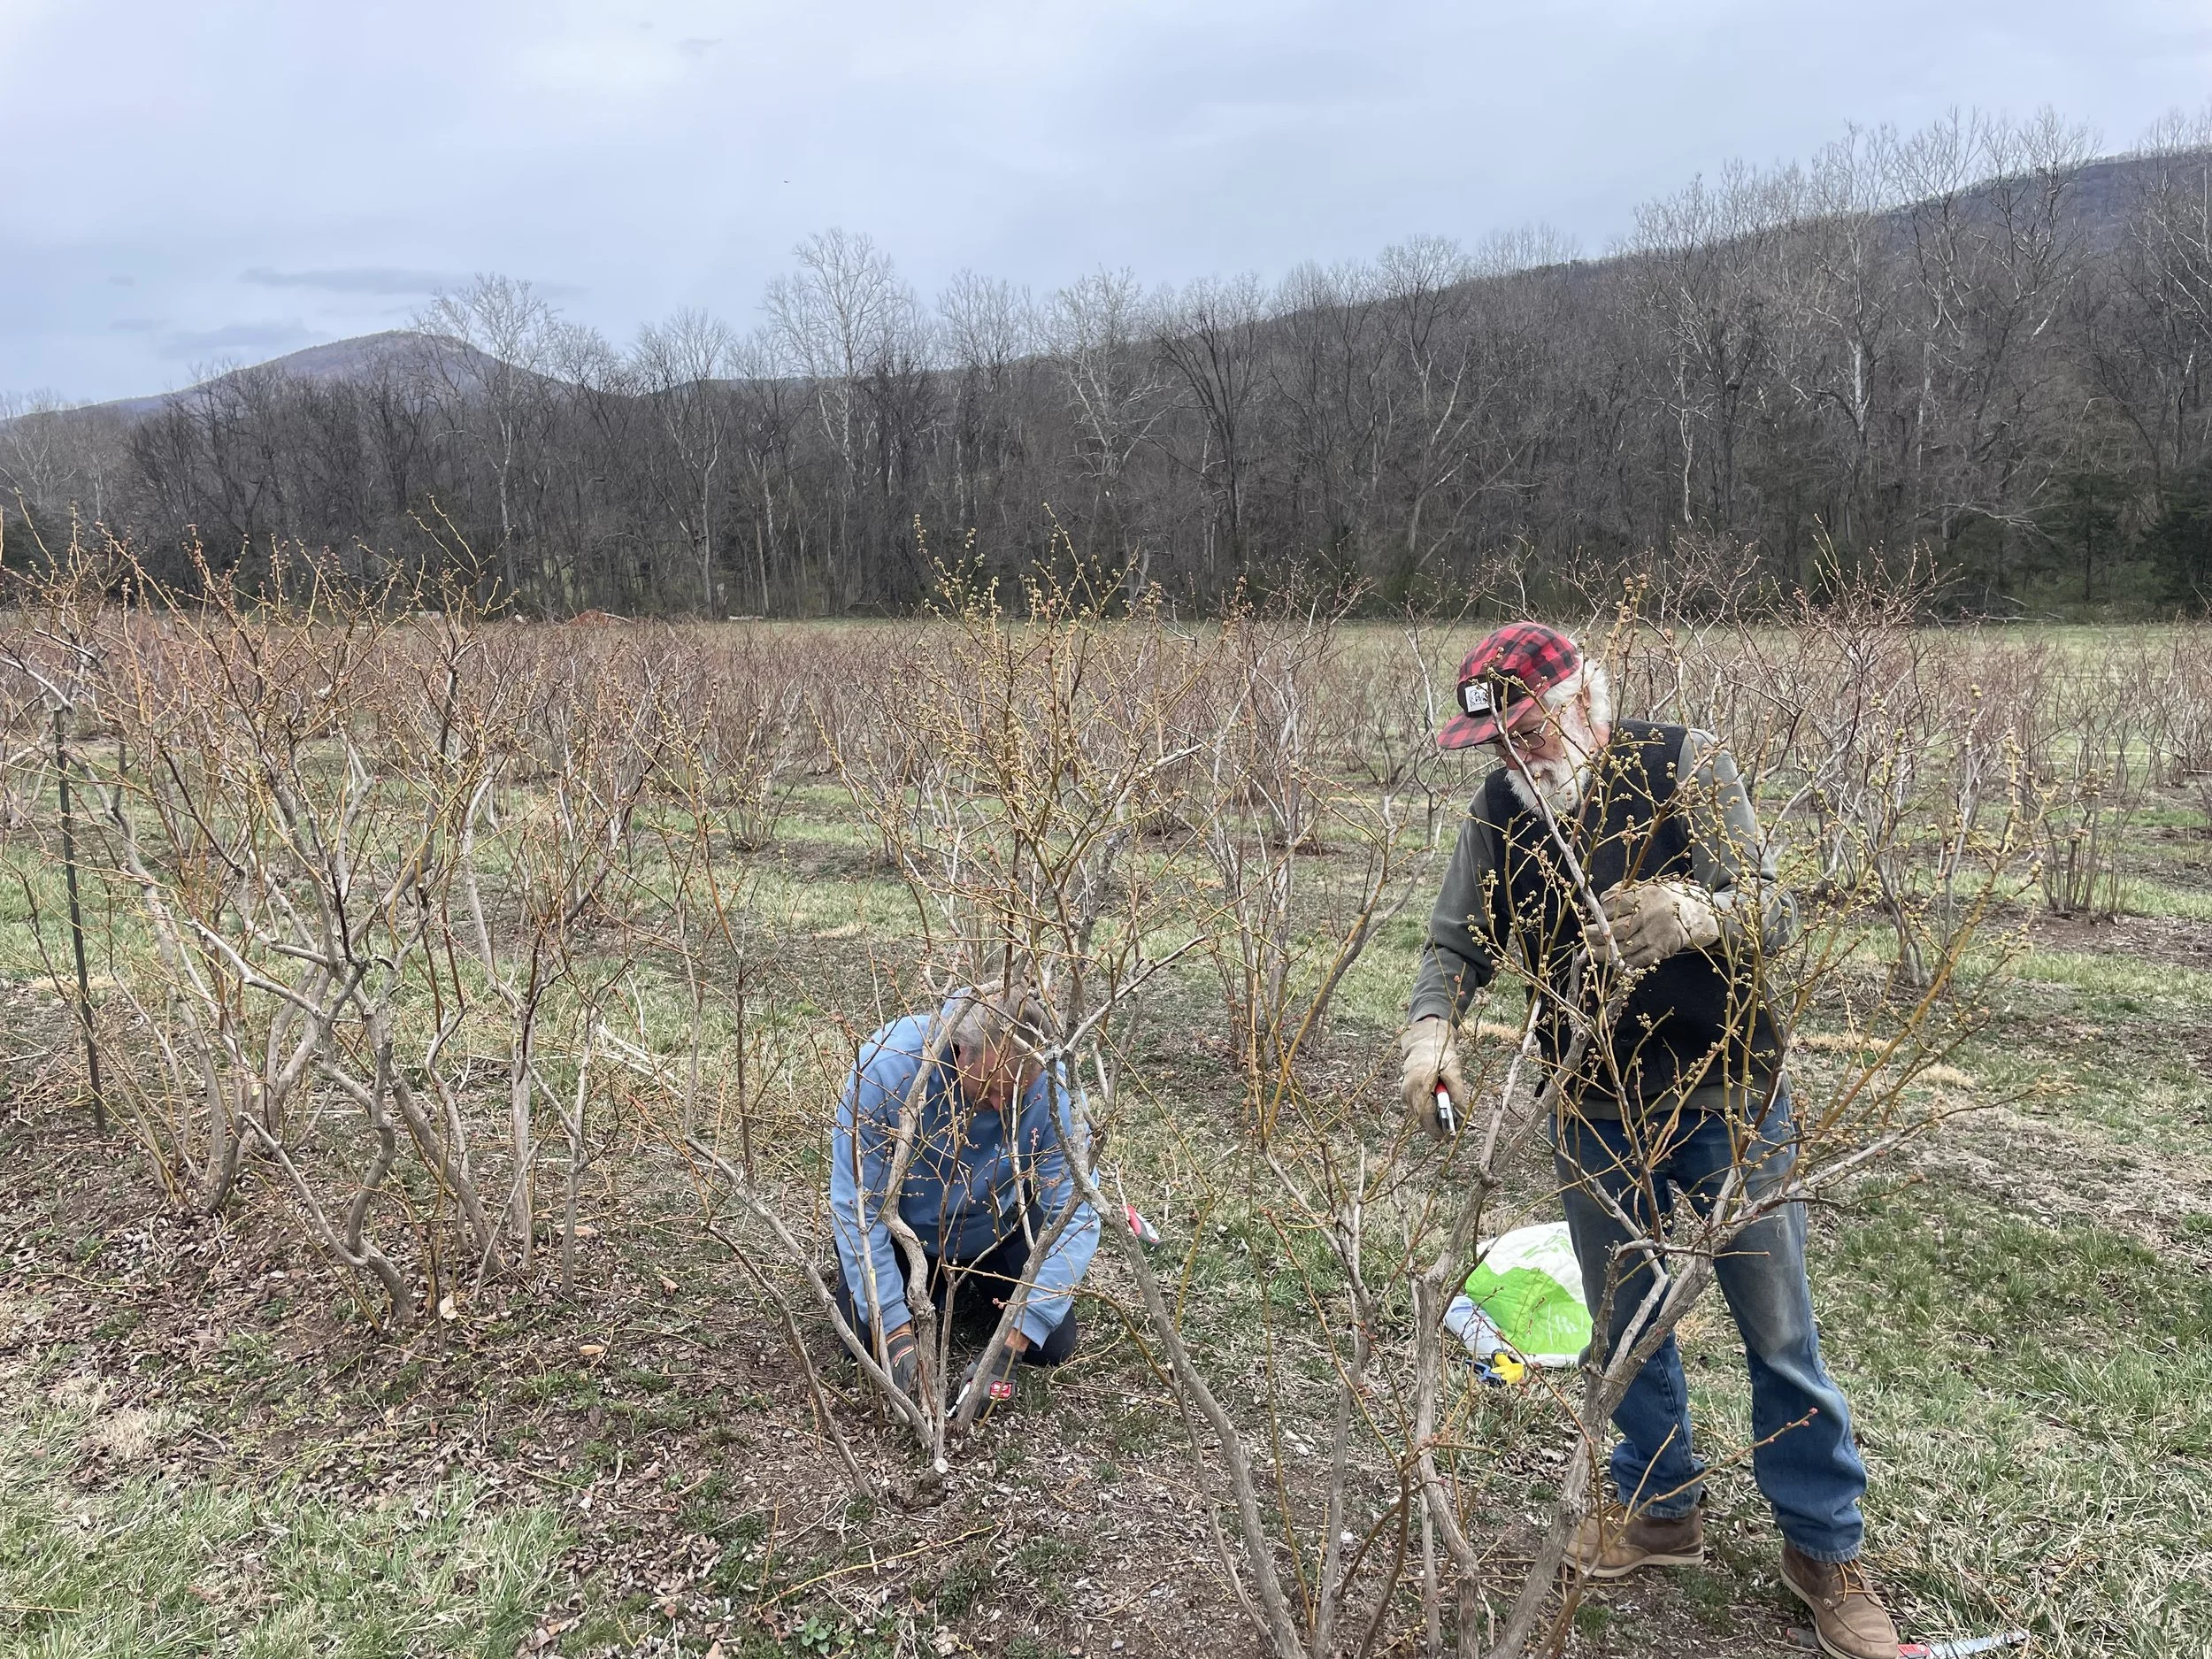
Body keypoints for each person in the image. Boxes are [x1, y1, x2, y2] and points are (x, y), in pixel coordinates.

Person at [1396, 622, 1898, 1659]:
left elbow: (1776, 904)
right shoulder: (1501, 811)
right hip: (1589, 1098)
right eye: (1493, 741)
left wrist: (1696, 910)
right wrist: (1430, 1027)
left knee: (1777, 1328)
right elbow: (1457, 938)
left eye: (1526, 731)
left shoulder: (1682, 764)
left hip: (1725, 1087)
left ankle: (1822, 1547)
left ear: (1583, 703)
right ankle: (1661, 1504)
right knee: (1624, 1329)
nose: (1510, 756)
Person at [829, 984, 1099, 1417]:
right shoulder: (887, 1071)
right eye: (992, 1090)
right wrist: (897, 1339)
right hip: (911, 1235)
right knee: (864, 1337)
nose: (1002, 1105)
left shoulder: (1054, 1086)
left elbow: (1075, 1213)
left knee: (1053, 1345)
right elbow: (857, 1208)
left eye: (1017, 1093)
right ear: (958, 1052)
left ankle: (976, 1287)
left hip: (997, 1225)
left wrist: (1013, 1344)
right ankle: (917, 1290)